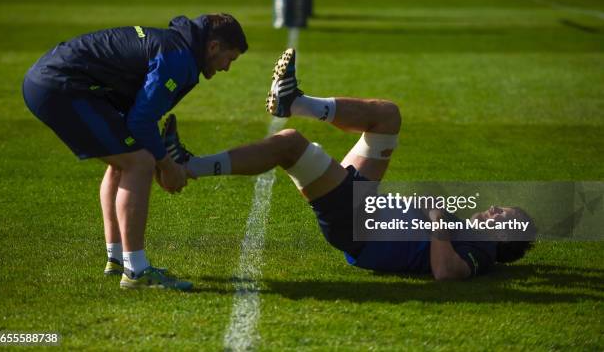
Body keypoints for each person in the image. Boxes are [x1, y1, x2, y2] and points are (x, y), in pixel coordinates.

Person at [164, 48, 535, 280]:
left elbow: (446, 272)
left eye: (502, 214)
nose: (492, 209)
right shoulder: (473, 236)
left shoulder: (482, 252)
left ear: (505, 235)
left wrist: (437, 218)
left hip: (360, 230)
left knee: (289, 144)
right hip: (366, 205)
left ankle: (187, 167)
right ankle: (295, 102)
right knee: (388, 116)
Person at [23, 13, 248, 290]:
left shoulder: (177, 47)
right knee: (138, 163)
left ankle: (118, 258)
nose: (227, 68)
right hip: (59, 86)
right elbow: (140, 121)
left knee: (124, 161)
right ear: (213, 47)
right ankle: (137, 271)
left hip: (50, 79)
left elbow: (138, 118)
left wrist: (160, 160)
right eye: (231, 58)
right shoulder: (178, 58)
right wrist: (166, 166)